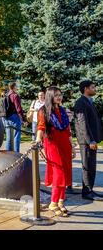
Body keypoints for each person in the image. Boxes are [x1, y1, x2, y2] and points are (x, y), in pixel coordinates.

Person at [36, 87, 74, 217]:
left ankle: (61, 201)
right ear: (50, 96)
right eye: (56, 95)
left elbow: (68, 129)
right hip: (52, 145)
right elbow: (41, 127)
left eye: (60, 95)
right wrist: (37, 139)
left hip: (65, 145)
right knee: (59, 173)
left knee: (66, 171)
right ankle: (53, 202)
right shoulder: (43, 111)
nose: (59, 97)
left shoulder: (62, 110)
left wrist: (72, 146)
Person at [74, 80, 103, 201]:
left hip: (91, 140)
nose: (95, 89)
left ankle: (90, 190)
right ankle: (86, 192)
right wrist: (90, 140)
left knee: (92, 165)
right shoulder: (81, 103)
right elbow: (82, 123)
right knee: (87, 166)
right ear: (86, 89)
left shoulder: (88, 101)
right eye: (93, 87)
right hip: (86, 141)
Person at [4, 82, 25, 152]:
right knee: (16, 135)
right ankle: (16, 154)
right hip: (14, 117)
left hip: (6, 117)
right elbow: (18, 109)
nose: (17, 87)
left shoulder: (6, 95)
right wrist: (23, 119)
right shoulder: (15, 96)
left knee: (8, 136)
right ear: (14, 87)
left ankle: (8, 153)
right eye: (16, 86)